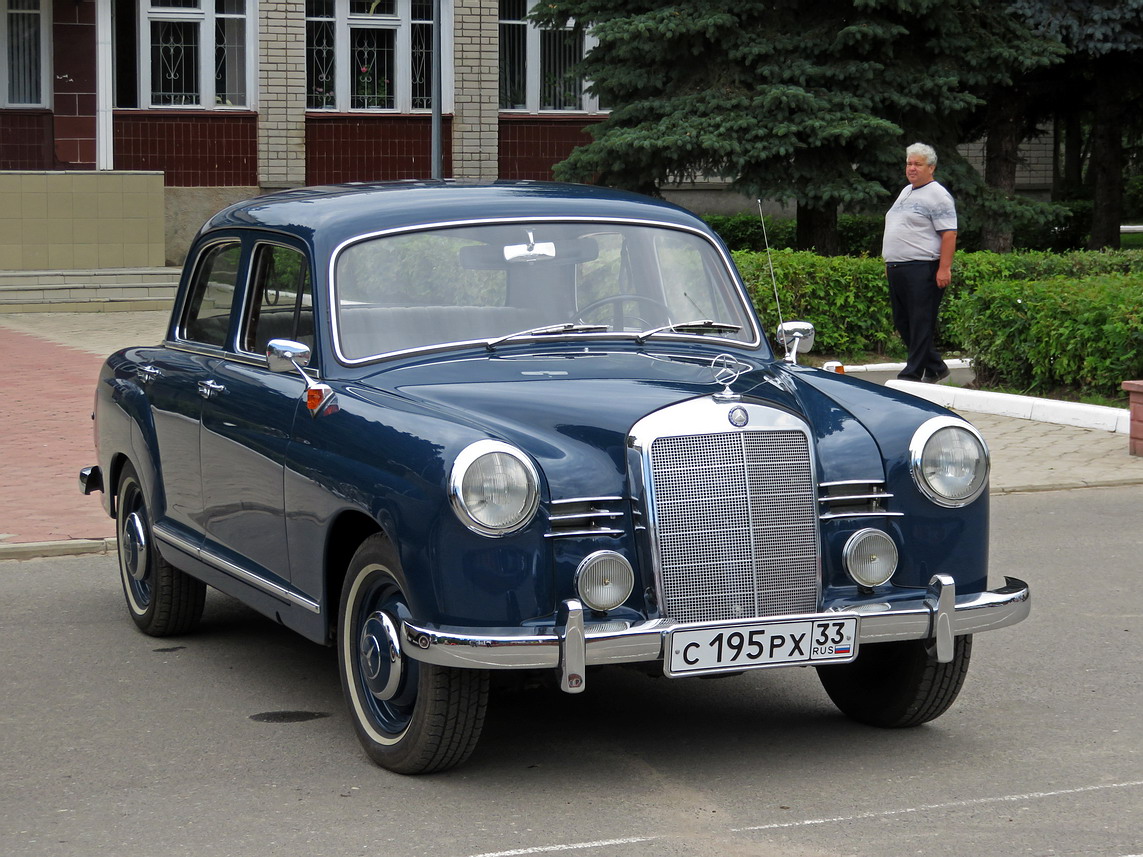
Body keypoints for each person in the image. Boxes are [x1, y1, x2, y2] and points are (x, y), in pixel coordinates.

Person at [882, 142, 957, 383]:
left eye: (918, 164)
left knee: (920, 320)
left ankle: (912, 374)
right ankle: (935, 366)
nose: (912, 168)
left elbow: (949, 233)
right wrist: (890, 262)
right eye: (909, 163)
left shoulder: (938, 195)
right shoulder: (907, 191)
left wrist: (944, 268)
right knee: (902, 321)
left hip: (922, 267)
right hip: (898, 268)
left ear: (931, 168)